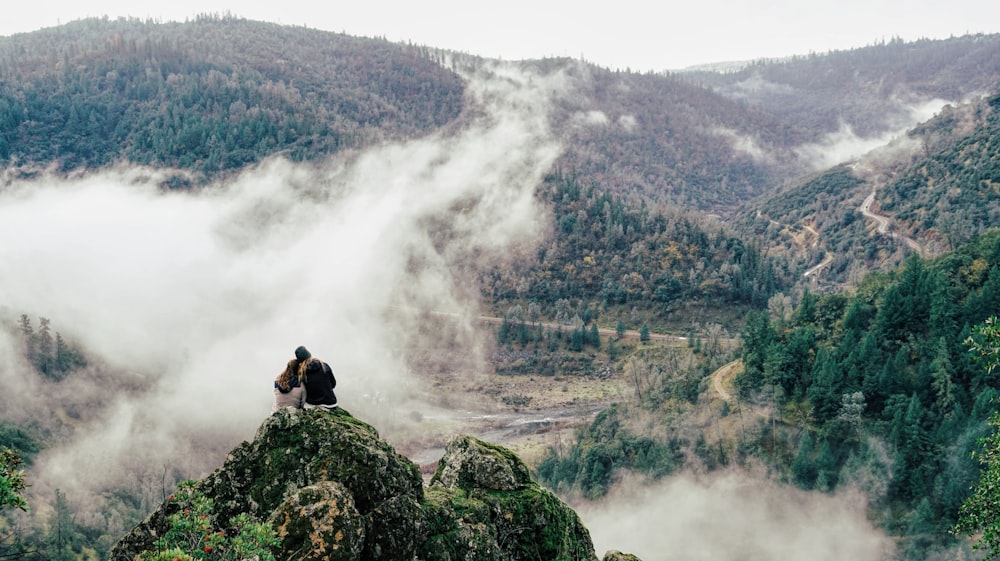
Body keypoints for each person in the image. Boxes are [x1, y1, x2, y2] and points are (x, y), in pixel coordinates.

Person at [271, 345, 311, 412]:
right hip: (293, 414)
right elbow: (303, 404)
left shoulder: (277, 382)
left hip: (277, 413)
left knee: (274, 404)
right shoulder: (301, 385)